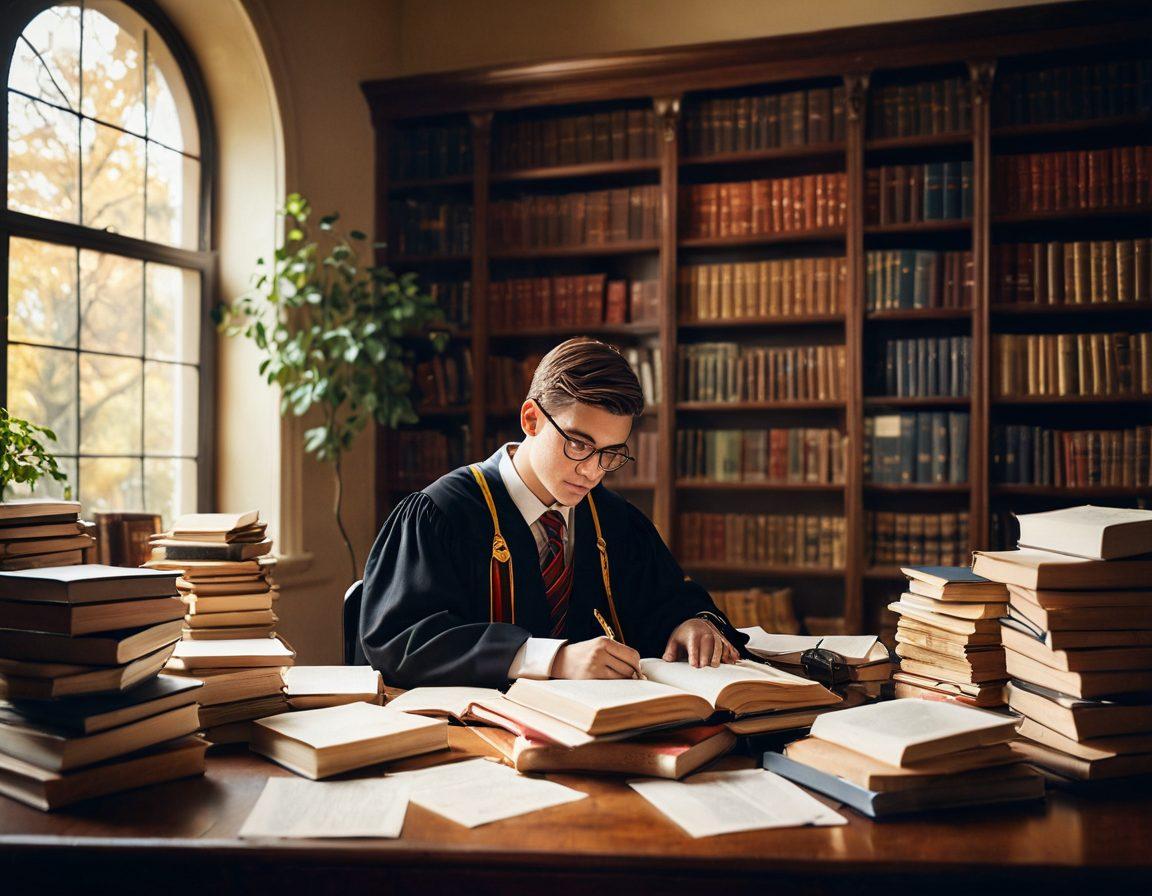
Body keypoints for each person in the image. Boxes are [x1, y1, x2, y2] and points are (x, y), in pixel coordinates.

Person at [359, 337, 747, 688]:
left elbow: (666, 598)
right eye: (579, 444)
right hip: (474, 740)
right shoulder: (443, 514)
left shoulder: (613, 519)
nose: (592, 471)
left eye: (610, 453)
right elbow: (401, 640)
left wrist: (692, 623)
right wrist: (551, 658)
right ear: (531, 419)